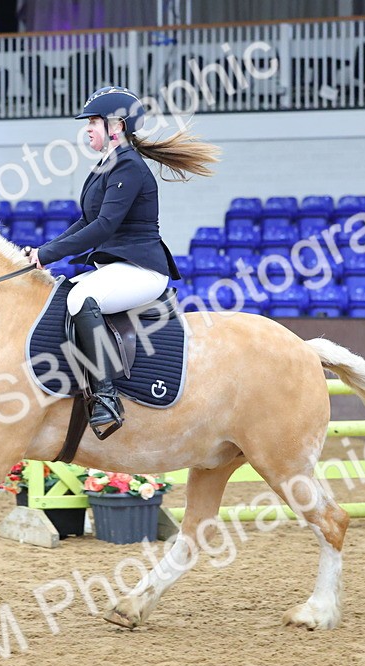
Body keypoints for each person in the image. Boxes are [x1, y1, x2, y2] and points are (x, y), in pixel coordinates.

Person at [27, 86, 220, 439]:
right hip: (119, 267)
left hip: (143, 271)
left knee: (80, 299)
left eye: (94, 122)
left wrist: (48, 255)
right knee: (68, 293)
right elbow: (86, 221)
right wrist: (41, 252)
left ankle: (107, 396)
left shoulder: (129, 166)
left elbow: (103, 227)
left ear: (116, 125)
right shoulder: (107, 165)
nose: (87, 128)